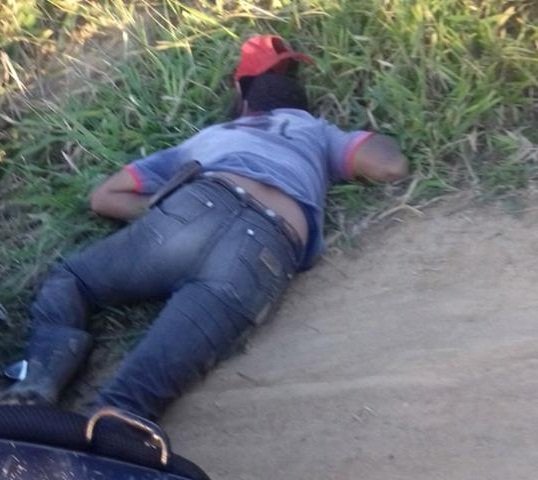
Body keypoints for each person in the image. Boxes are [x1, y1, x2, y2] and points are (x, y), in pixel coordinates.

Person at [1, 35, 408, 421]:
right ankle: (108, 427)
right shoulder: (318, 134)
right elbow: (390, 166)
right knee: (129, 404)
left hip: (192, 212)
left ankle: (38, 381)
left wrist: (160, 214)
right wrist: (361, 139)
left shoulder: (209, 137)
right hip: (265, 250)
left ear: (242, 97)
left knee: (72, 280)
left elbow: (104, 197)